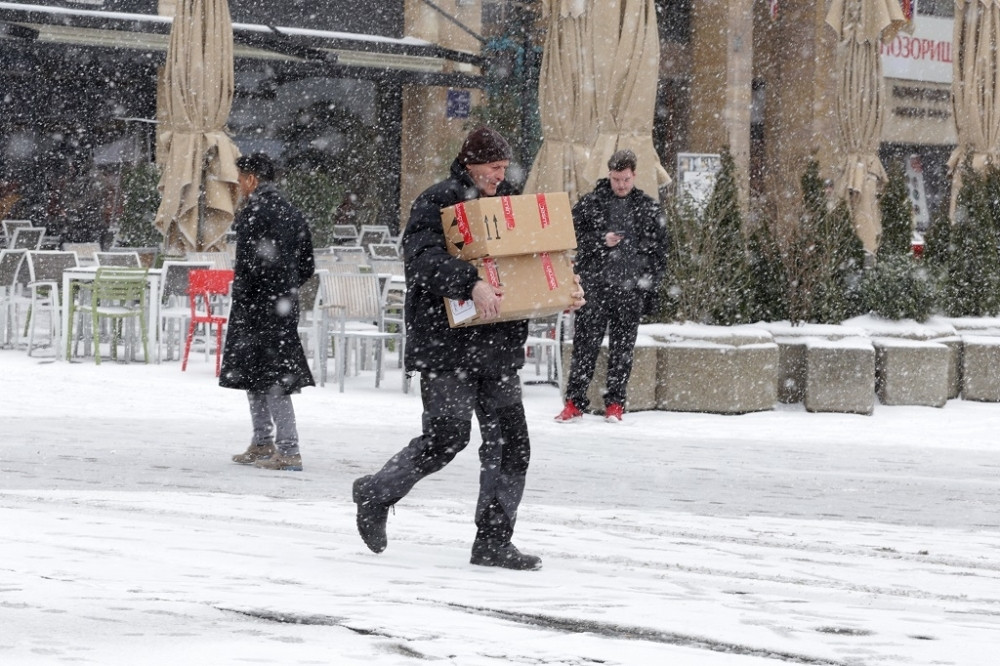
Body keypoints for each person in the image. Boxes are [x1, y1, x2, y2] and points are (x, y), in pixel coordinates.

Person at [351, 126, 584, 571]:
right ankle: (375, 492)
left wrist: (564, 288)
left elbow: (534, 263)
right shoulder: (438, 201)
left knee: (511, 444)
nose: (500, 174)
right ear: (471, 162)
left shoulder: (511, 206)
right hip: (448, 348)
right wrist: (469, 282)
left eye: (503, 167)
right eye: (493, 167)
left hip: (497, 348)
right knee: (447, 437)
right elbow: (420, 262)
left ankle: (493, 542)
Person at [555, 149, 668, 424]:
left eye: (626, 179)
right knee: (584, 347)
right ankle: (573, 403)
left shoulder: (648, 208)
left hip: (630, 290)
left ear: (634, 176)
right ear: (609, 174)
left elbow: (660, 252)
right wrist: (599, 240)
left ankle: (615, 404)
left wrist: (649, 288)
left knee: (623, 351)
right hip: (594, 288)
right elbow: (568, 234)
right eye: (617, 179)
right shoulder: (591, 203)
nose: (621, 185)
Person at [221, 153, 316, 472]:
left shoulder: (253, 213)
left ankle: (287, 450)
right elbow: (307, 266)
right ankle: (263, 443)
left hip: (255, 306)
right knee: (268, 374)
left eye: (239, 180)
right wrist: (284, 286)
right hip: (282, 305)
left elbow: (247, 264)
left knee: (265, 376)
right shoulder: (293, 212)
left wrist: (247, 295)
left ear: (251, 179)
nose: (238, 186)